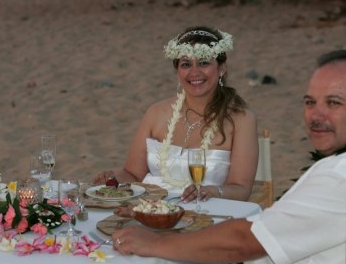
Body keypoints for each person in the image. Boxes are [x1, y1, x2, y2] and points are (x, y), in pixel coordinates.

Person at [111, 49, 346, 264]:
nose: (317, 116)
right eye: (310, 102)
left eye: (334, 103)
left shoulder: (344, 177)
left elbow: (244, 242)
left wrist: (155, 242)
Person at [94, 26, 258, 202]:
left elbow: (241, 189)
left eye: (204, 62)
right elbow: (132, 174)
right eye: (186, 64)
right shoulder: (156, 112)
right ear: (178, 72)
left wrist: (212, 192)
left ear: (221, 68)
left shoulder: (241, 120)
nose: (195, 72)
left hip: (208, 212)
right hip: (150, 211)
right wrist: (112, 181)